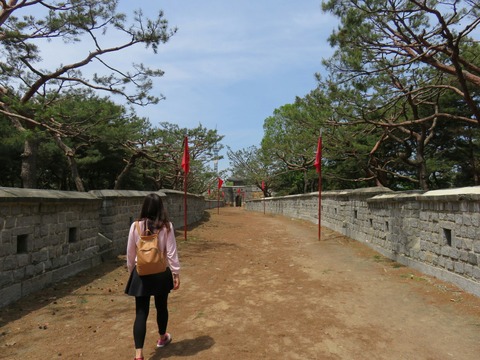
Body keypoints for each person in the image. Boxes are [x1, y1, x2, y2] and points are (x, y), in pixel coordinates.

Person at [125, 193, 181, 360]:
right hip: (161, 273)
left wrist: (131, 271)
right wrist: (175, 272)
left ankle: (139, 354)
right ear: (160, 208)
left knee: (141, 312)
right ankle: (163, 337)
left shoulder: (135, 226)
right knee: (161, 306)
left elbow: (130, 252)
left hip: (140, 273)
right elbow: (171, 252)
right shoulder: (166, 226)